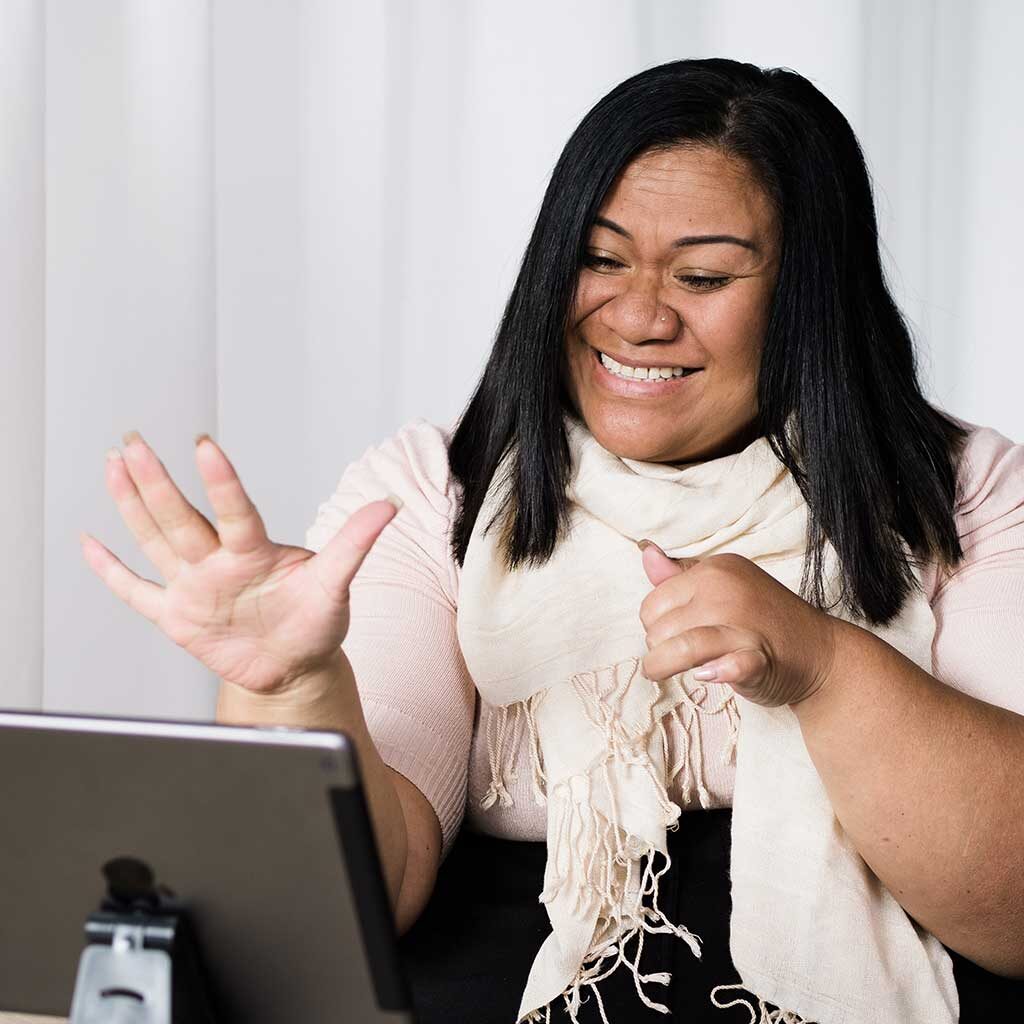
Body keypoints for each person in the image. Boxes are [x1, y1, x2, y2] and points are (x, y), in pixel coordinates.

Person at [80, 58, 1024, 1023]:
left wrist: (823, 668)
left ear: (812, 300)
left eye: (702, 276)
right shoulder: (432, 492)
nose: (638, 316)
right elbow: (358, 898)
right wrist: (295, 687)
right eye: (602, 259)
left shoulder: (968, 494)